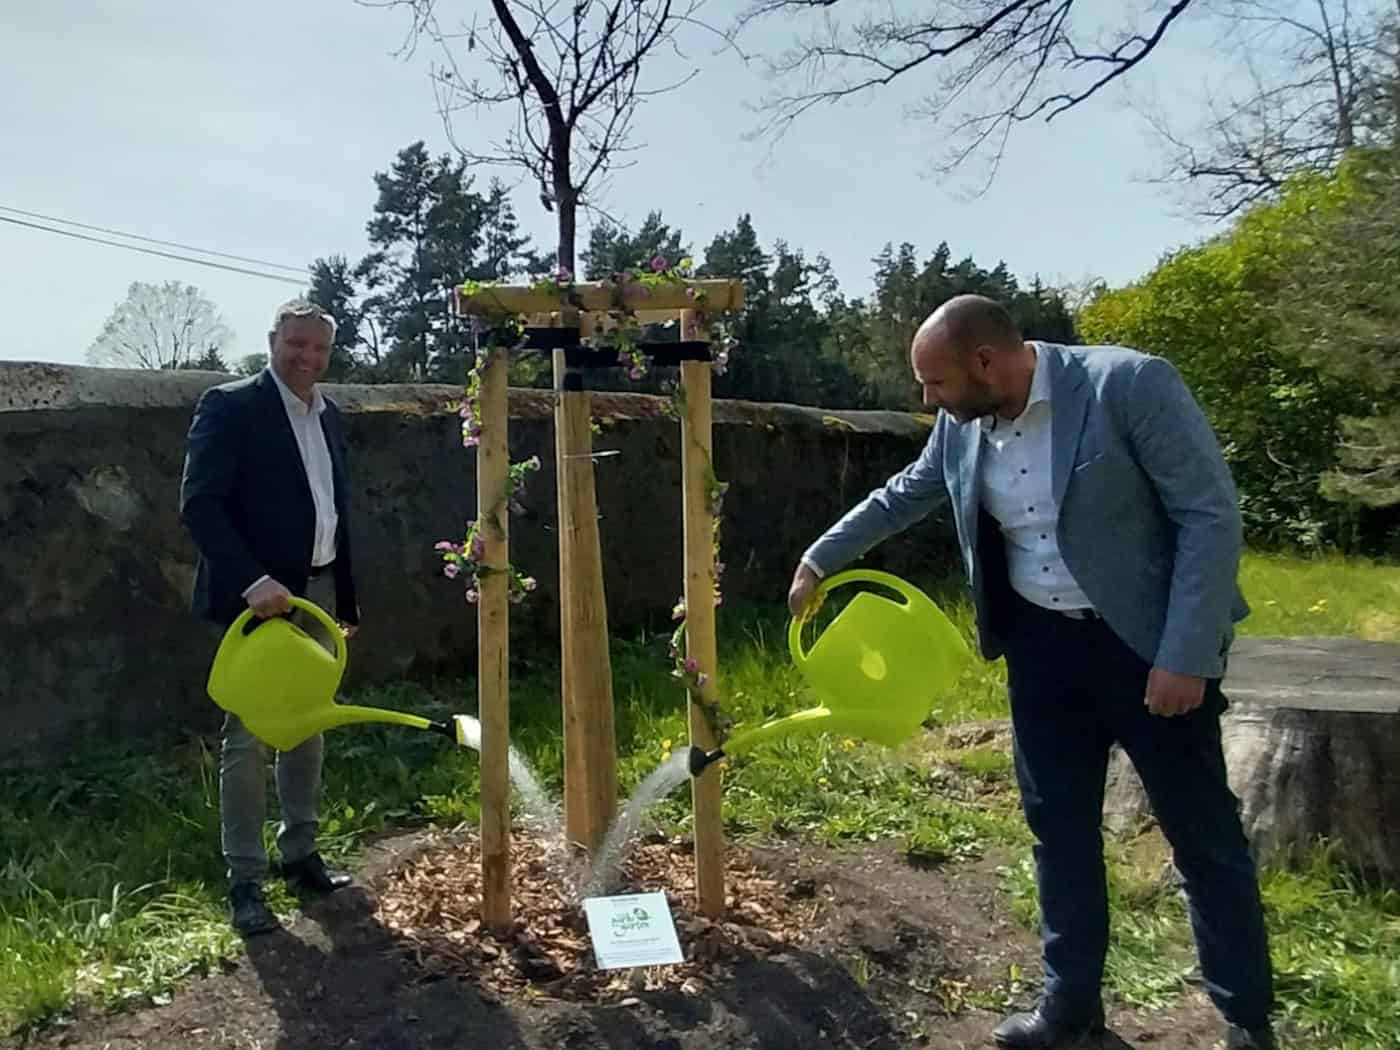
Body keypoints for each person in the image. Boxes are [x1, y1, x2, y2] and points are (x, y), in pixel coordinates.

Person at [788, 295, 1274, 1050]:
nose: (928, 401)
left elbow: (1208, 515)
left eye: (936, 383)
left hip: (1146, 647)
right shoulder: (962, 425)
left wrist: (1185, 653)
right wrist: (821, 557)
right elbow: (906, 494)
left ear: (986, 362)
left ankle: (1246, 1019)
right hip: (1041, 651)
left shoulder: (1129, 385)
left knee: (1201, 835)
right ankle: (1070, 1009)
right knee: (1060, 834)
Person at [180, 298, 359, 937]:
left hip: (318, 596)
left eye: (318, 348)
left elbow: (335, 511)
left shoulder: (329, 414)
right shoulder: (231, 407)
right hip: (258, 600)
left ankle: (301, 855)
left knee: (308, 722)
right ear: (272, 341)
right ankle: (246, 880)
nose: (306, 357)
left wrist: (347, 602)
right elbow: (200, 505)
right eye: (295, 344)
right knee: (249, 738)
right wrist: (253, 581)